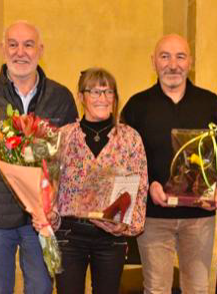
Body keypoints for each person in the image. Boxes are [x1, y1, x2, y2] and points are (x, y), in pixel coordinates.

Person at [0, 21, 78, 293]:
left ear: (40, 50)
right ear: (2, 49)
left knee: (42, 288)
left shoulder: (61, 97)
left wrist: (57, 214)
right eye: (13, 44)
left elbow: (69, 162)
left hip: (40, 221)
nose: (21, 52)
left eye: (29, 45)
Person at [121, 34, 217, 294]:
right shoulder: (137, 105)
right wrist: (147, 187)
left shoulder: (209, 102)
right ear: (153, 62)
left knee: (197, 288)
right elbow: (124, 160)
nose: (173, 64)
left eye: (180, 56)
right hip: (154, 217)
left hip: (199, 217)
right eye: (165, 56)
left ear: (190, 62)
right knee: (157, 288)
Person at [44, 68, 148, 293]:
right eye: (95, 91)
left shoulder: (130, 138)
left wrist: (127, 224)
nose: (103, 98)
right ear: (81, 97)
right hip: (69, 236)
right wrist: (47, 212)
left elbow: (140, 188)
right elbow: (49, 185)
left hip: (112, 237)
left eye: (108, 92)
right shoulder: (63, 137)